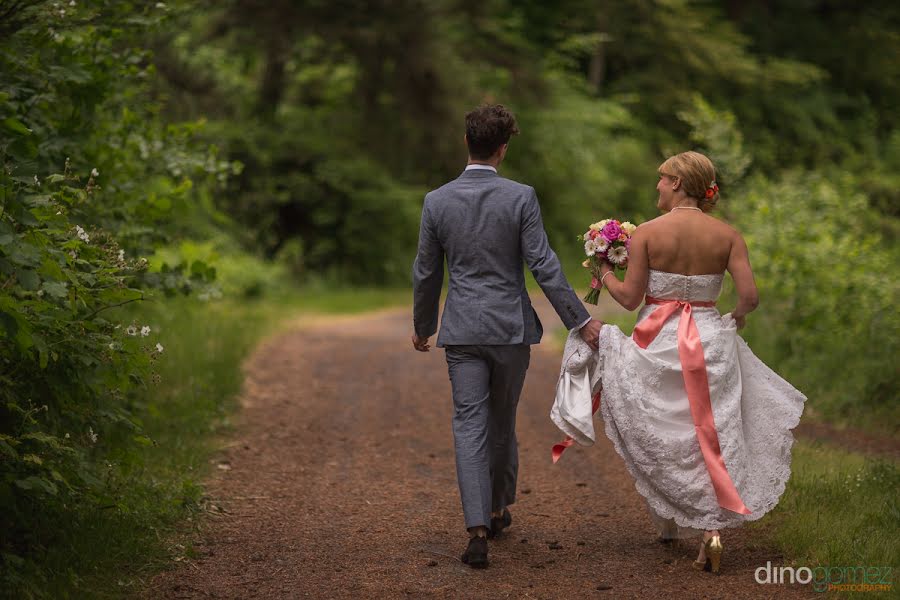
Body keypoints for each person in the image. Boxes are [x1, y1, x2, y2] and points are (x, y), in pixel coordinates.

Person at [592, 151, 805, 573]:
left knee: (668, 431)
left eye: (662, 178)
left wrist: (604, 275)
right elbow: (750, 297)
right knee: (710, 432)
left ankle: (686, 519)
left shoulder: (650, 234)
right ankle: (708, 530)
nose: (657, 185)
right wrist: (737, 317)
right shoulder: (727, 235)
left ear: (677, 183)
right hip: (709, 340)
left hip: (661, 338)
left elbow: (630, 298)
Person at [411, 104, 602, 568]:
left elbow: (426, 272)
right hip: (510, 330)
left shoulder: (437, 201)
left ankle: (477, 528)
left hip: (461, 331)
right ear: (502, 149)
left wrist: (424, 326)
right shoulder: (520, 197)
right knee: (501, 420)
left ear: (466, 143)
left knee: (468, 424)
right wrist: (581, 319)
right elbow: (543, 264)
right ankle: (498, 509)